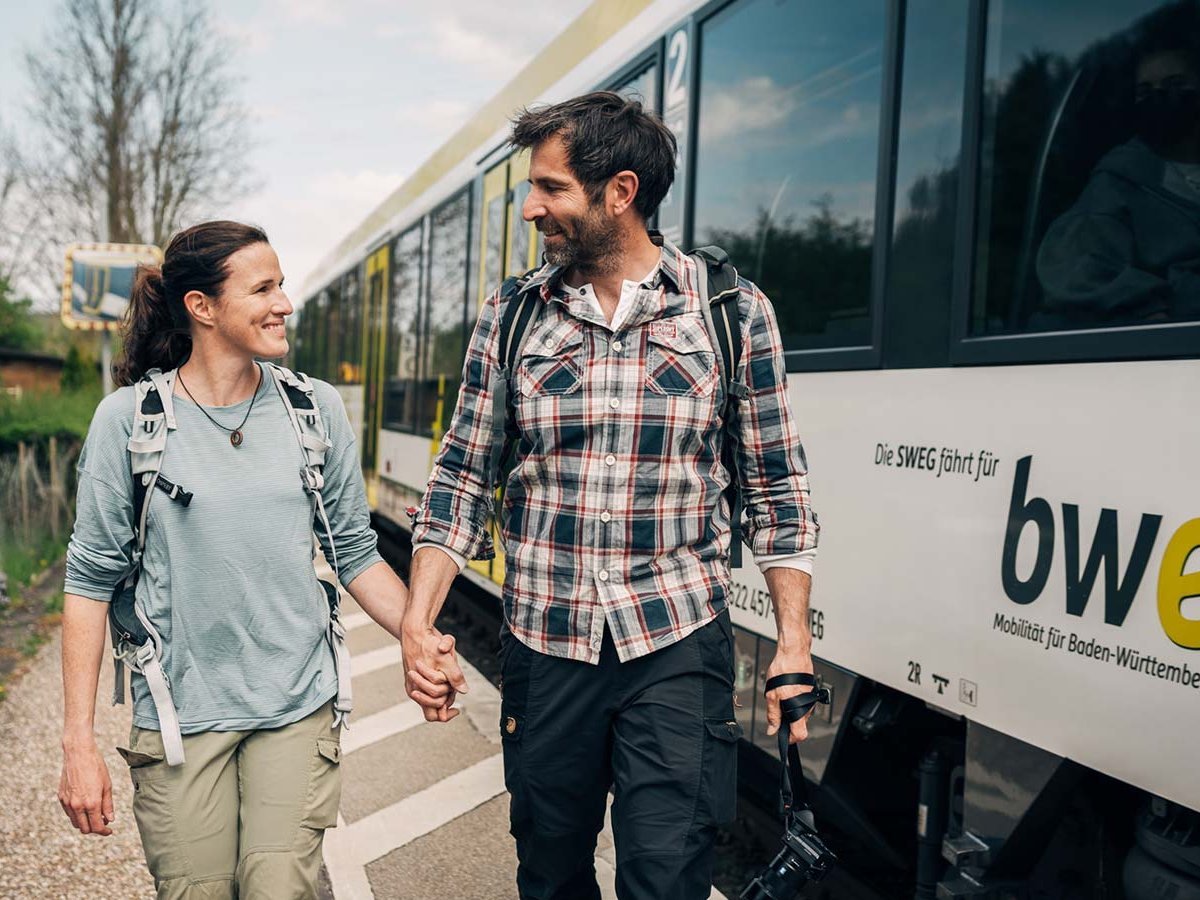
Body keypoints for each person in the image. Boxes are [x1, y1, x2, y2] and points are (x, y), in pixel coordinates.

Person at [403, 92, 820, 900]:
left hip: (674, 640)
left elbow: (776, 486)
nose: (531, 208)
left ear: (619, 193)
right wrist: (419, 623)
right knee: (552, 873)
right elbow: (461, 475)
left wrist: (792, 645)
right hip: (545, 642)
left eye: (550, 188)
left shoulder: (730, 314)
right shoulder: (514, 314)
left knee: (667, 877)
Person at [56, 221, 454, 898]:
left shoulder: (313, 409)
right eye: (264, 287)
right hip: (179, 715)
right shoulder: (128, 421)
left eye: (282, 284)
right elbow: (89, 582)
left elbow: (354, 549)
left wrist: (415, 635)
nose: (284, 303)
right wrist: (78, 742)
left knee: (279, 888)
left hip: (296, 706)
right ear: (202, 307)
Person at [1036, 29, 1200, 325]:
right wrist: (1149, 310)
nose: (1160, 97)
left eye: (1174, 84)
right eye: (1146, 91)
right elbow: (1076, 266)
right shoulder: (1118, 182)